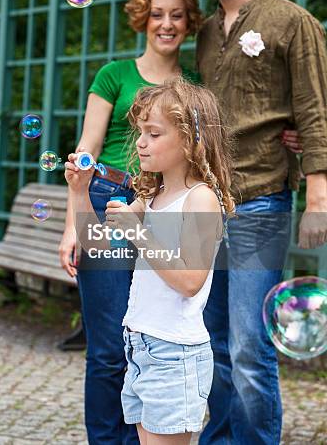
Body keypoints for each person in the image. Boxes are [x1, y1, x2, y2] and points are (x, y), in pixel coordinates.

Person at [187, 0, 327, 444]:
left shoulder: (293, 22)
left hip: (260, 200)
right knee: (214, 343)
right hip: (205, 204)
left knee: (249, 345)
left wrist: (317, 194)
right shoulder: (203, 33)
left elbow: (314, 110)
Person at [59, 0, 203, 445]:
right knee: (106, 348)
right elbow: (88, 146)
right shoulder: (114, 75)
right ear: (143, 17)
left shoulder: (195, 84)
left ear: (188, 22)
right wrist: (71, 226)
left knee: (149, 331)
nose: (167, 23)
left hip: (163, 205)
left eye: (177, 15)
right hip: (107, 201)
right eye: (157, 13)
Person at [65, 76, 235, 444]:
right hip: (140, 347)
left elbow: (190, 280)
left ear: (189, 140)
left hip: (176, 356)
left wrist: (138, 231)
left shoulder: (200, 199)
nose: (140, 142)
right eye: (141, 132)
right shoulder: (152, 196)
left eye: (154, 133)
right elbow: (96, 249)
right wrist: (79, 194)